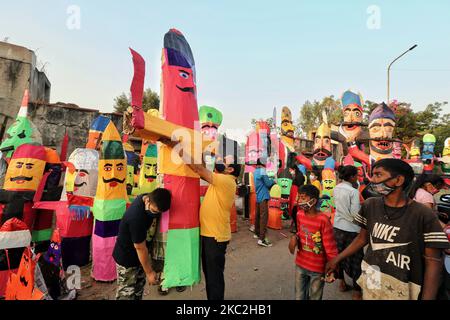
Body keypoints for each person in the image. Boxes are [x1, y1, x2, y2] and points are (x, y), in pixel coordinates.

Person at [326, 159, 450, 300]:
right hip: (373, 275)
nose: (372, 180)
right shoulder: (370, 205)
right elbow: (362, 238)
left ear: (398, 180)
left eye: (378, 175)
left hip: (404, 284)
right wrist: (337, 259)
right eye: (372, 175)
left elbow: (433, 262)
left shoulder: (423, 214)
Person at [160, 136, 241, 300]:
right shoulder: (221, 179)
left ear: (230, 169)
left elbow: (198, 169)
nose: (219, 159)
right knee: (211, 275)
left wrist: (175, 146)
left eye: (223, 160)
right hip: (211, 235)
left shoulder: (226, 180)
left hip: (215, 237)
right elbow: (202, 167)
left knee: (214, 277)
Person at [113, 188, 172, 300]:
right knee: (126, 293)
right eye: (154, 211)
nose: (155, 215)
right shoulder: (136, 218)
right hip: (127, 259)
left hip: (140, 258)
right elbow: (140, 248)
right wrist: (149, 272)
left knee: (138, 290)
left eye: (159, 213)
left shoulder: (147, 197)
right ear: (148, 201)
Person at [289, 185, 338, 300]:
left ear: (313, 200)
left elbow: (330, 246)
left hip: (317, 268)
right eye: (299, 197)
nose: (299, 201)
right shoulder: (299, 215)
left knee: (315, 296)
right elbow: (300, 232)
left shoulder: (323, 220)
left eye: (303, 198)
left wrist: (332, 268)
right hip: (300, 264)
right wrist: (295, 238)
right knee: (299, 296)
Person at [333, 165, 364, 300]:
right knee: (357, 259)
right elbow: (355, 214)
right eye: (356, 175)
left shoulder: (336, 188)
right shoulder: (353, 192)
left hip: (338, 227)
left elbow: (338, 207)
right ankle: (357, 290)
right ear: (352, 177)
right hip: (352, 229)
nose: (357, 178)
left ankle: (342, 282)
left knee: (339, 255)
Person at [254, 158, 276, 247]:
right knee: (264, 217)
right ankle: (262, 239)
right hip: (263, 196)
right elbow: (268, 183)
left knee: (258, 215)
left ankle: (257, 233)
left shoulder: (256, 171)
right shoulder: (263, 171)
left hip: (258, 195)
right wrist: (273, 181)